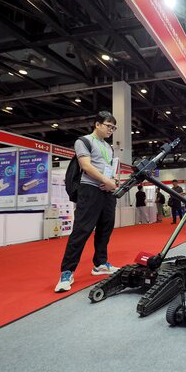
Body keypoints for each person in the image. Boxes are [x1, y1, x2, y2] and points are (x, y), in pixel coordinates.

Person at [55, 111, 120, 293]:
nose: (111, 130)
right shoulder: (83, 141)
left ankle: (100, 264)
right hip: (89, 190)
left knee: (105, 228)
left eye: (114, 128)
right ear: (97, 124)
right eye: (109, 126)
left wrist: (113, 181)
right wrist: (106, 181)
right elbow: (86, 166)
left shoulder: (109, 147)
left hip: (107, 192)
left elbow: (109, 168)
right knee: (82, 230)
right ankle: (67, 271)